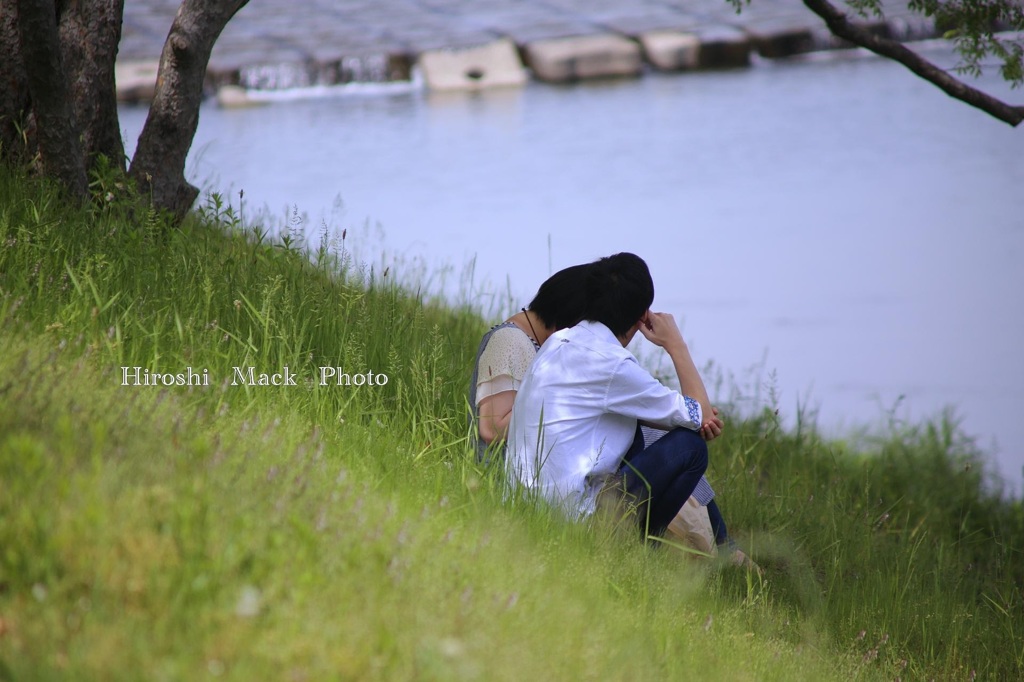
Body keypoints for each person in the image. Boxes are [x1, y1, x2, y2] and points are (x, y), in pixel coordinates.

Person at [470, 258, 745, 559]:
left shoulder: (556, 342)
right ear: (642, 317)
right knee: (690, 447)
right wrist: (675, 344)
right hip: (570, 521)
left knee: (639, 428)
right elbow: (701, 416)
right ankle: (635, 551)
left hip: (524, 507)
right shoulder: (613, 364)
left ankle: (636, 546)